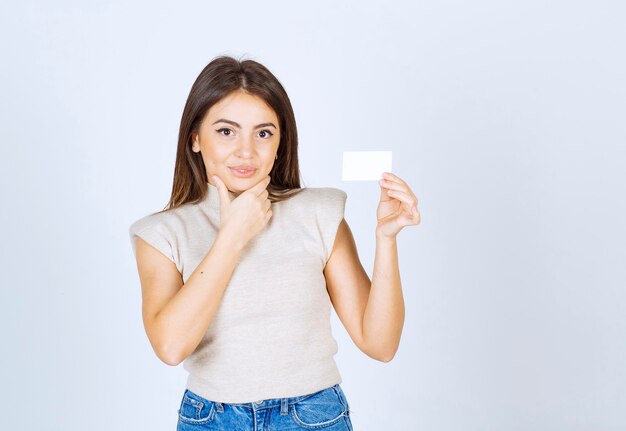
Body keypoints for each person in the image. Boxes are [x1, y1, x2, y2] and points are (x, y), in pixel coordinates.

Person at [128, 55, 420, 431]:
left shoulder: (318, 213)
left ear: (281, 143)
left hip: (312, 416)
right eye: (226, 131)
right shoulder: (161, 234)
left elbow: (380, 344)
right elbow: (170, 347)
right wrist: (233, 235)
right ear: (195, 139)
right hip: (211, 420)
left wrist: (386, 237)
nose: (246, 151)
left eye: (263, 133)